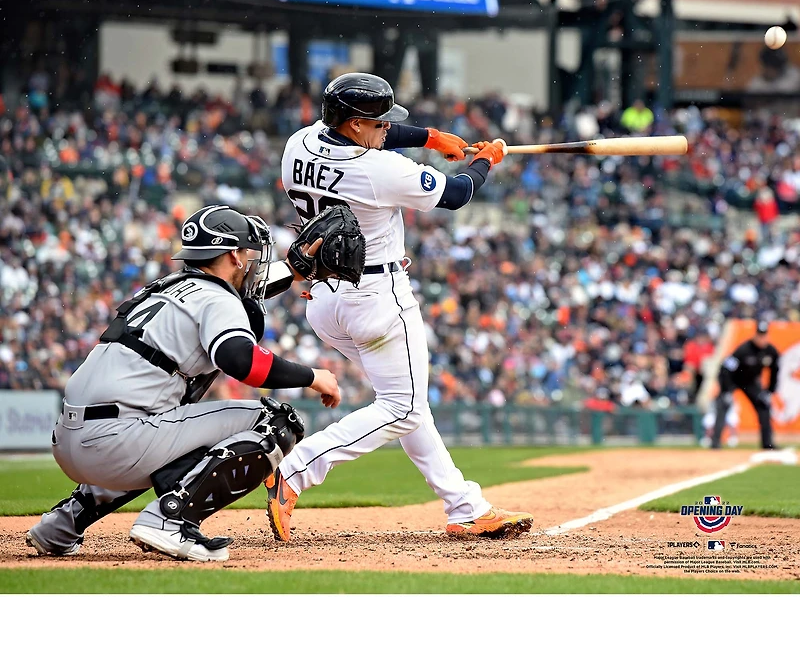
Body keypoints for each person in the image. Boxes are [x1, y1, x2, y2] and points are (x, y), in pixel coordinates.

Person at [267, 71, 534, 541]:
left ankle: (465, 507)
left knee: (406, 402)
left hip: (324, 299)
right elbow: (456, 194)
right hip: (376, 298)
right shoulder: (378, 170)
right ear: (353, 124)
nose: (388, 130)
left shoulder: (300, 143)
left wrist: (431, 138)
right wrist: (487, 160)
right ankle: (297, 471)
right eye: (379, 123)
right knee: (404, 406)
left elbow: (376, 138)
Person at [26, 205, 340, 562]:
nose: (251, 262)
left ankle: (60, 526)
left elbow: (246, 290)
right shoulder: (218, 299)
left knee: (166, 430)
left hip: (73, 439)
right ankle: (170, 520)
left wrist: (295, 271)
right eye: (247, 253)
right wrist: (313, 377)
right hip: (116, 442)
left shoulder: (163, 290)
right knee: (277, 422)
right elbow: (241, 361)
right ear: (233, 255)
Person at [711, 320, 780, 450]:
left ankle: (767, 443)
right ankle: (715, 443)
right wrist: (726, 391)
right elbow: (725, 369)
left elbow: (775, 372)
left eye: (764, 335)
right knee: (723, 406)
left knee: (764, 407)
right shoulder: (743, 350)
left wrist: (769, 391)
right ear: (755, 335)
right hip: (733, 380)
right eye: (759, 335)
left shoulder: (770, 351)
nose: (762, 338)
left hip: (750, 383)